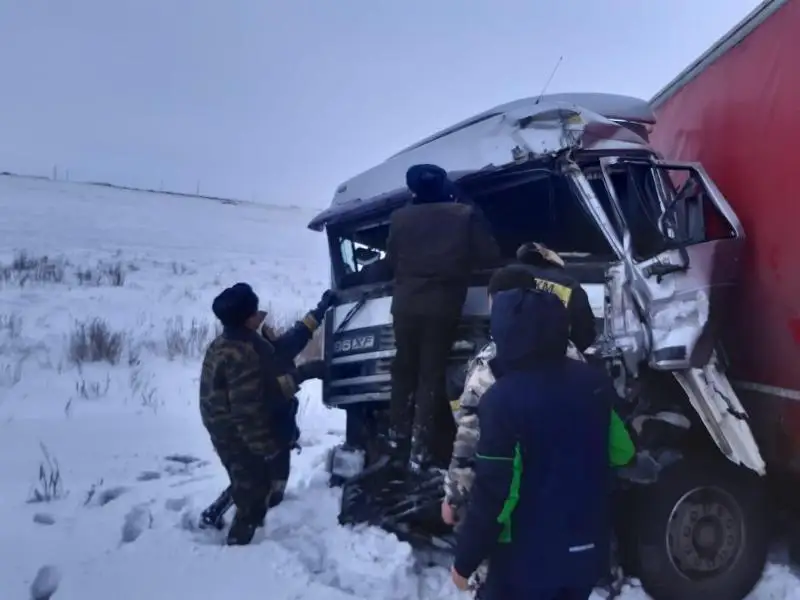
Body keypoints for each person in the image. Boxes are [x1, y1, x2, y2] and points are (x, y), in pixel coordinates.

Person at [442, 265, 635, 591]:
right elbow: (622, 452)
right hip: (583, 541)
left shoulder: (491, 380)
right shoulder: (584, 370)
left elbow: (482, 467)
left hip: (522, 547)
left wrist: (455, 501)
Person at [385, 163, 501, 472]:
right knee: (430, 372)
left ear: (412, 189)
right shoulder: (463, 215)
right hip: (443, 306)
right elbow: (488, 255)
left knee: (403, 369)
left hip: (405, 305)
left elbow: (391, 260)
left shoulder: (399, 218)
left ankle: (396, 436)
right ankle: (420, 446)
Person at [198, 282, 335, 545]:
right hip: (237, 432)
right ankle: (240, 549)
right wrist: (266, 448)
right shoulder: (242, 355)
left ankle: (228, 511)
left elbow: (296, 337)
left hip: (238, 425)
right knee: (256, 489)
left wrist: (321, 309)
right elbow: (250, 407)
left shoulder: (239, 340)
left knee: (251, 479)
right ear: (248, 318)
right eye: (255, 311)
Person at [511, 241, 598, 352]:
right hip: (556, 357)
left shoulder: (509, 279)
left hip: (514, 355)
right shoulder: (569, 285)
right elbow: (586, 332)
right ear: (547, 255)